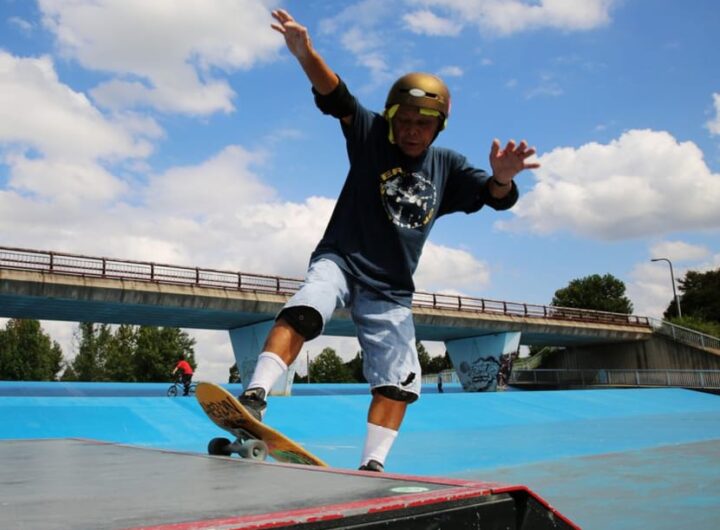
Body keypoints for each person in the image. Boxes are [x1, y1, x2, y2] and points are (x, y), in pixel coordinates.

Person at [237, 8, 540, 472]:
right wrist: (305, 53)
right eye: (406, 120)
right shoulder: (371, 134)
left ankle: (372, 465)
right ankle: (254, 395)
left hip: (392, 286)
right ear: (393, 117)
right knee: (305, 308)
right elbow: (336, 95)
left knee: (398, 380)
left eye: (424, 123)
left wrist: (502, 178)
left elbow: (494, 198)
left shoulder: (449, 165)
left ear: (438, 126)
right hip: (341, 258)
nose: (413, 131)